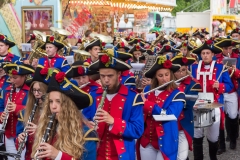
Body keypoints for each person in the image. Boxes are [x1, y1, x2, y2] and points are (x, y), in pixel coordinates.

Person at [83, 52, 144, 160]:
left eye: (110, 76)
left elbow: (138, 130)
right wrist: (88, 125)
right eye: (102, 76)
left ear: (119, 74)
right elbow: (83, 123)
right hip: (96, 154)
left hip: (122, 155)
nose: (106, 80)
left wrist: (113, 122)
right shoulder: (92, 96)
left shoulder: (133, 98)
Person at [32, 70, 98, 160]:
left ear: (69, 106)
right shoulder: (48, 128)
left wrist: (58, 156)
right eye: (51, 102)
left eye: (58, 101)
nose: (53, 107)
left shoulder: (87, 134)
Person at [191, 40, 233, 160]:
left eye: (207, 53)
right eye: (203, 53)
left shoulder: (221, 68)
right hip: (198, 104)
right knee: (198, 135)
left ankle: (213, 157)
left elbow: (229, 86)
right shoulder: (193, 67)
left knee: (213, 137)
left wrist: (219, 86)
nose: (205, 55)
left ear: (212, 54)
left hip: (214, 104)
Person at [137, 55, 185, 160]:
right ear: (155, 77)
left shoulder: (178, 94)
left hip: (166, 141)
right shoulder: (147, 90)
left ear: (171, 75)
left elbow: (170, 115)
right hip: (147, 140)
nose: (164, 79)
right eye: (160, 75)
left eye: (167, 75)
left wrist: (147, 104)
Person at [0, 63, 35, 160]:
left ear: (24, 77)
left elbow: (34, 110)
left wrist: (17, 108)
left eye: (15, 78)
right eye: (10, 78)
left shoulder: (30, 92)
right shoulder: (6, 90)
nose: (12, 81)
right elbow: (1, 107)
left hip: (23, 133)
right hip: (8, 133)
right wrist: (1, 115)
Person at [172, 54, 202, 160]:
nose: (180, 74)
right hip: (169, 124)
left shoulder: (193, 84)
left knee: (182, 156)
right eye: (177, 71)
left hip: (183, 123)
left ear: (187, 70)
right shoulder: (168, 83)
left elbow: (189, 104)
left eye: (183, 70)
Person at [15, 65, 49, 160]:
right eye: (34, 90)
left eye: (40, 91)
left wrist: (39, 130)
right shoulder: (25, 112)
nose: (37, 94)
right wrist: (19, 139)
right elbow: (18, 138)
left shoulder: (55, 114)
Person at [214, 38, 240, 153]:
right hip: (219, 92)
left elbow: (239, 75)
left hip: (232, 91)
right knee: (219, 118)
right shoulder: (216, 58)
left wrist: (235, 70)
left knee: (233, 116)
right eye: (226, 48)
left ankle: (233, 138)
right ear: (222, 49)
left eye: (230, 48)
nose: (228, 50)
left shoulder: (237, 58)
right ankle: (221, 145)